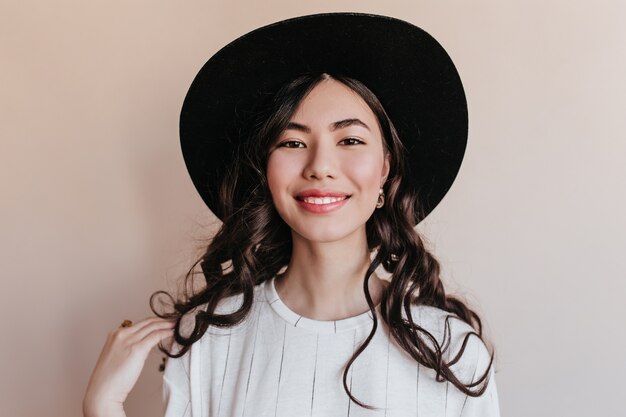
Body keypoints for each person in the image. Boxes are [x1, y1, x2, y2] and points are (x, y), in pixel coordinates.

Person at [83, 13, 500, 417]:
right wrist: (102, 407)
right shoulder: (207, 342)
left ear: (385, 170)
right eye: (292, 143)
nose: (320, 165)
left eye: (350, 139)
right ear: (265, 171)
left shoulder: (451, 351)